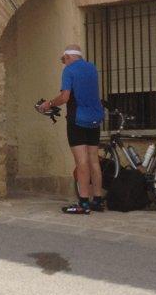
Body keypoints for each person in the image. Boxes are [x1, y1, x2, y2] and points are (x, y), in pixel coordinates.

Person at [36, 45, 105, 214]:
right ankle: (97, 200)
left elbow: (65, 97)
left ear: (67, 57)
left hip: (78, 120)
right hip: (95, 118)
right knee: (94, 161)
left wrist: (49, 104)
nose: (63, 62)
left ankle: (83, 203)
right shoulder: (92, 68)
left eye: (63, 59)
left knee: (81, 162)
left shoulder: (69, 70)